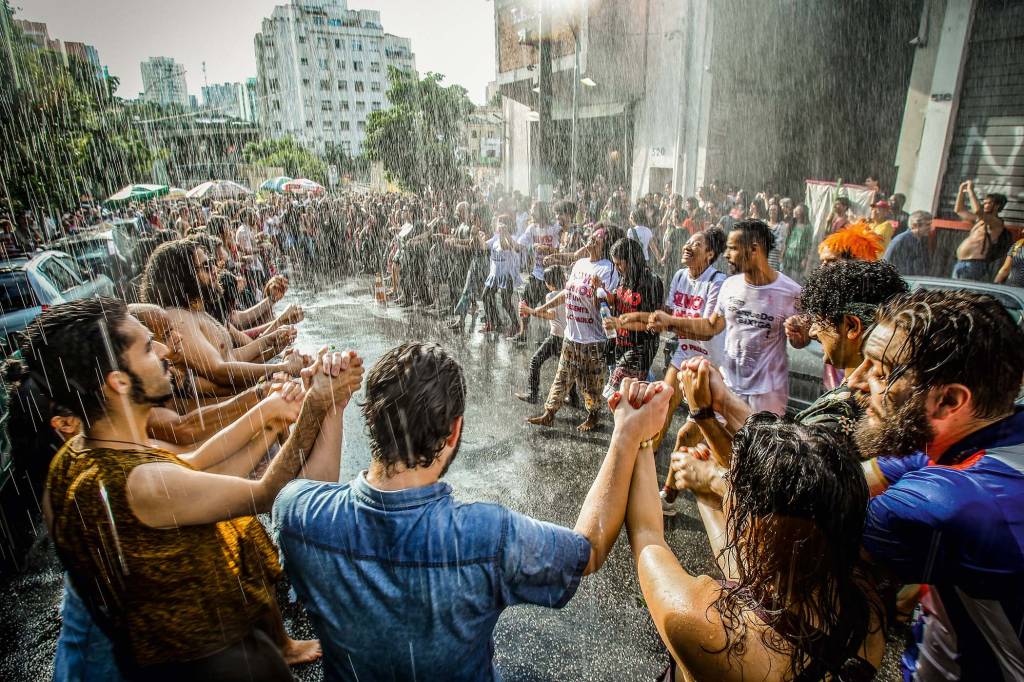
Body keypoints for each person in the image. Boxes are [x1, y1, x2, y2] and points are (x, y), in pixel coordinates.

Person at [273, 342, 674, 681]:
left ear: (371, 420)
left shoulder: (295, 515)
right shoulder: (487, 537)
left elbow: (314, 493)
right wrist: (626, 434)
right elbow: (588, 549)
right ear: (454, 431)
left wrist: (329, 406)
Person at [27, 298, 362, 681]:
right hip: (221, 666)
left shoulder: (76, 456)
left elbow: (193, 468)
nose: (166, 350)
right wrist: (320, 404)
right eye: (148, 348)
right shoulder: (140, 484)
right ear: (118, 383)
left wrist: (269, 418)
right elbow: (267, 492)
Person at [627, 408, 886, 681]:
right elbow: (759, 580)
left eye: (732, 488)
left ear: (757, 528)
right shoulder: (866, 617)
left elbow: (647, 535)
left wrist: (640, 435)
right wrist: (705, 499)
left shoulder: (710, 630)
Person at [851, 290, 1024, 681]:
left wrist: (711, 477)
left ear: (948, 400)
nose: (856, 381)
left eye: (879, 371)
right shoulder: (985, 436)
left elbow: (799, 531)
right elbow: (844, 482)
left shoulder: (957, 499)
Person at [654, 220, 801, 416]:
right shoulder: (730, 285)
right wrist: (665, 320)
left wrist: (799, 336)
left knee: (746, 444)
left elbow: (805, 337)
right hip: (727, 383)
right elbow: (712, 326)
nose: (726, 255)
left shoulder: (791, 291)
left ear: (754, 249)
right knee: (681, 423)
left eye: (733, 249)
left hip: (764, 394)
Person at [140, 239, 305, 389]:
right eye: (206, 266)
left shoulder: (197, 312)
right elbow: (219, 371)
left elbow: (232, 357)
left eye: (211, 263)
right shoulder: (179, 317)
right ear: (182, 276)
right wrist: (281, 368)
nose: (214, 269)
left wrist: (272, 343)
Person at [526, 225, 622, 432]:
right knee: (562, 375)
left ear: (606, 244)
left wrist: (600, 290)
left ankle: (593, 415)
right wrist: (542, 307)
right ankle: (549, 413)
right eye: (592, 236)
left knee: (592, 382)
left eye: (598, 238)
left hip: (593, 338)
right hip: (572, 334)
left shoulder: (608, 269)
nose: (592, 239)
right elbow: (567, 293)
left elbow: (608, 306)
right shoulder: (579, 263)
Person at [642, 228, 727, 452]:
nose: (687, 247)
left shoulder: (718, 282)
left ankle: (684, 477)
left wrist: (668, 321)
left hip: (710, 363)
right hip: (684, 353)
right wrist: (651, 316)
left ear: (710, 254)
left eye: (696, 244)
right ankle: (648, 458)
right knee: (662, 404)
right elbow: (669, 311)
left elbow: (707, 329)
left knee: (697, 427)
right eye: (688, 242)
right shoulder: (680, 275)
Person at [603, 238, 664, 391]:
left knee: (615, 391)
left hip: (641, 346)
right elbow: (620, 303)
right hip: (622, 342)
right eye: (614, 264)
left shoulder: (651, 282)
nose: (617, 268)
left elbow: (651, 322)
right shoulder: (625, 278)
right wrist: (606, 295)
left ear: (631, 260)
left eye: (619, 264)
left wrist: (618, 322)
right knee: (631, 396)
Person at [515, 265, 574, 404]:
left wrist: (529, 310)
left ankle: (532, 394)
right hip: (567, 338)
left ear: (548, 283)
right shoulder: (568, 292)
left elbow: (551, 315)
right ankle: (573, 397)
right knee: (569, 367)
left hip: (555, 338)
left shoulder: (551, 295)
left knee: (535, 362)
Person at [952, 180, 1008, 281]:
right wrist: (961, 190)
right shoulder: (980, 220)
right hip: (961, 262)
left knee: (962, 293)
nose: (985, 205)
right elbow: (959, 210)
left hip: (974, 264)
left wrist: (971, 191)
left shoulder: (997, 222)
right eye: (984, 202)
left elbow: (977, 211)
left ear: (997, 206)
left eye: (989, 203)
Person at [480, 215, 521, 335]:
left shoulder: (511, 237)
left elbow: (505, 246)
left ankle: (516, 326)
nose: (496, 225)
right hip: (494, 275)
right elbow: (483, 247)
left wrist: (504, 233)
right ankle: (491, 322)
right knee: (486, 296)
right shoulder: (495, 237)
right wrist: (478, 236)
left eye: (498, 223)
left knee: (506, 302)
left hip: (506, 275)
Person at [883, 210, 932, 276]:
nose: (930, 228)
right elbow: (886, 263)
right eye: (927, 225)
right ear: (915, 225)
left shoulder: (922, 242)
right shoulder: (901, 240)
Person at [781, 203, 814, 280]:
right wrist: (783, 253)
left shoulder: (808, 227)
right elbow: (787, 240)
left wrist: (805, 259)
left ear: (803, 213)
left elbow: (808, 245)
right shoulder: (792, 224)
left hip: (799, 257)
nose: (795, 211)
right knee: (785, 278)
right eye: (795, 210)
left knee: (794, 279)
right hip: (788, 255)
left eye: (798, 210)